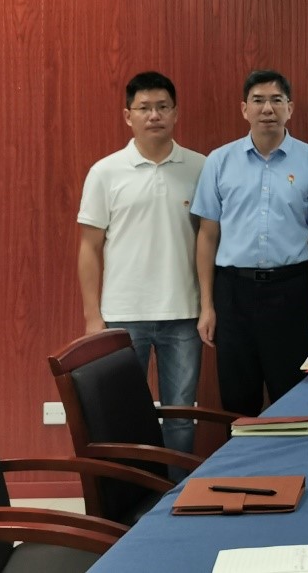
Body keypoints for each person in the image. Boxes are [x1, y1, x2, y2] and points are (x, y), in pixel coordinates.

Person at [191, 70, 308, 416]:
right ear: (244, 109)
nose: (267, 109)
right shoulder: (219, 161)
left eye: (276, 100)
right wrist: (207, 306)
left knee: (293, 398)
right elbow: (207, 236)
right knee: (238, 400)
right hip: (233, 293)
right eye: (258, 101)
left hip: (290, 291)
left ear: (290, 108)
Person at [76, 71, 206, 459]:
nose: (154, 115)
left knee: (181, 416)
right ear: (127, 115)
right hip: (122, 315)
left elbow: (210, 241)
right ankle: (134, 492)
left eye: (163, 107)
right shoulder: (105, 172)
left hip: (184, 314)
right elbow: (89, 248)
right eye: (144, 107)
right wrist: (92, 318)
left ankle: (175, 490)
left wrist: (208, 306)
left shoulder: (200, 168)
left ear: (176, 113)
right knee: (121, 415)